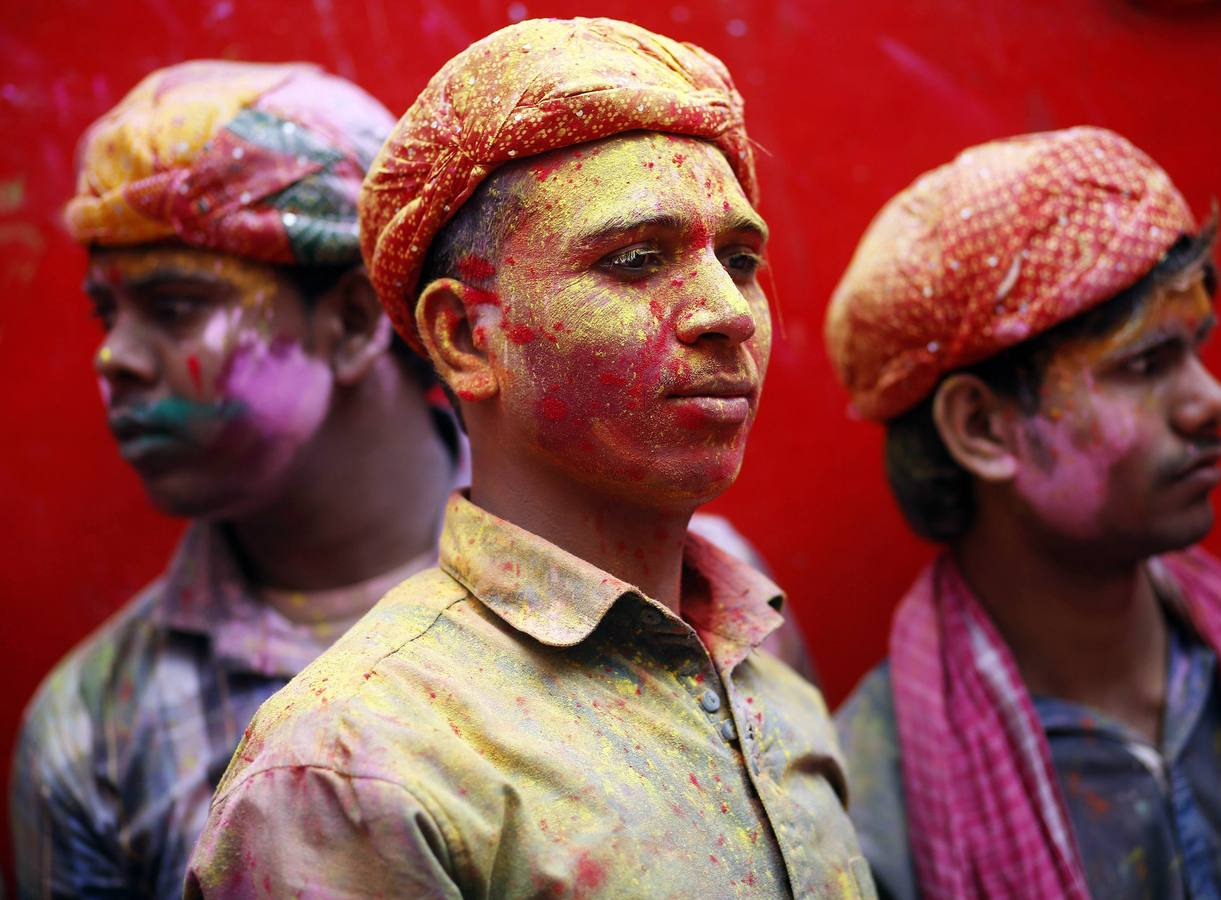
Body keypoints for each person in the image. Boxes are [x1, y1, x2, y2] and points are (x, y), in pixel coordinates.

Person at [187, 18, 870, 897]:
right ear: (466, 337)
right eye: (633, 260)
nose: (726, 310)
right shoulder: (355, 768)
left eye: (739, 260)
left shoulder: (780, 701)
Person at [828, 127, 1221, 899]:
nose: (1213, 401)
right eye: (1144, 365)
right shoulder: (872, 799)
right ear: (981, 428)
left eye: (1195, 348)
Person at [10, 60, 460, 899]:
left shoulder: (678, 601)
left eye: (175, 304)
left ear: (356, 319)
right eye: (106, 313)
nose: (116, 357)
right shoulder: (97, 736)